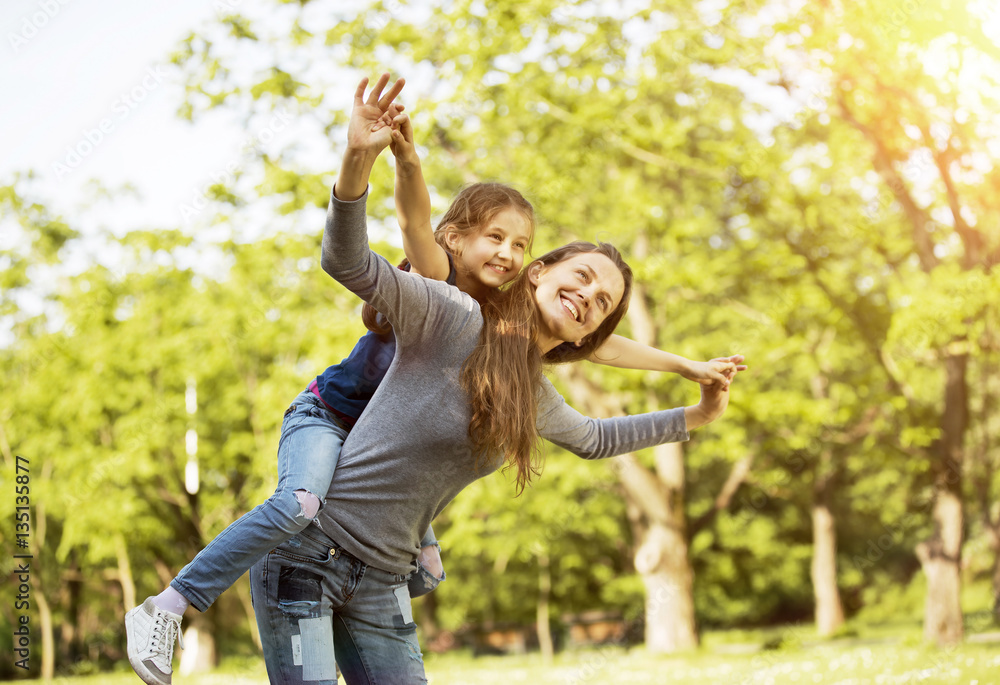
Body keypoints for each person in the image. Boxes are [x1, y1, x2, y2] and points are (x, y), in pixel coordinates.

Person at [125, 73, 741, 685]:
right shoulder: (450, 308)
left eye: (602, 300)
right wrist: (363, 160)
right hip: (312, 518)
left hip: (381, 576)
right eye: (579, 276)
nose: (587, 295)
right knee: (301, 500)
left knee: (425, 564)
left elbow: (596, 437)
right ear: (538, 275)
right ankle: (170, 608)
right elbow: (363, 250)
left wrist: (696, 410)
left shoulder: (529, 391)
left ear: (588, 335)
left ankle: (419, 548)